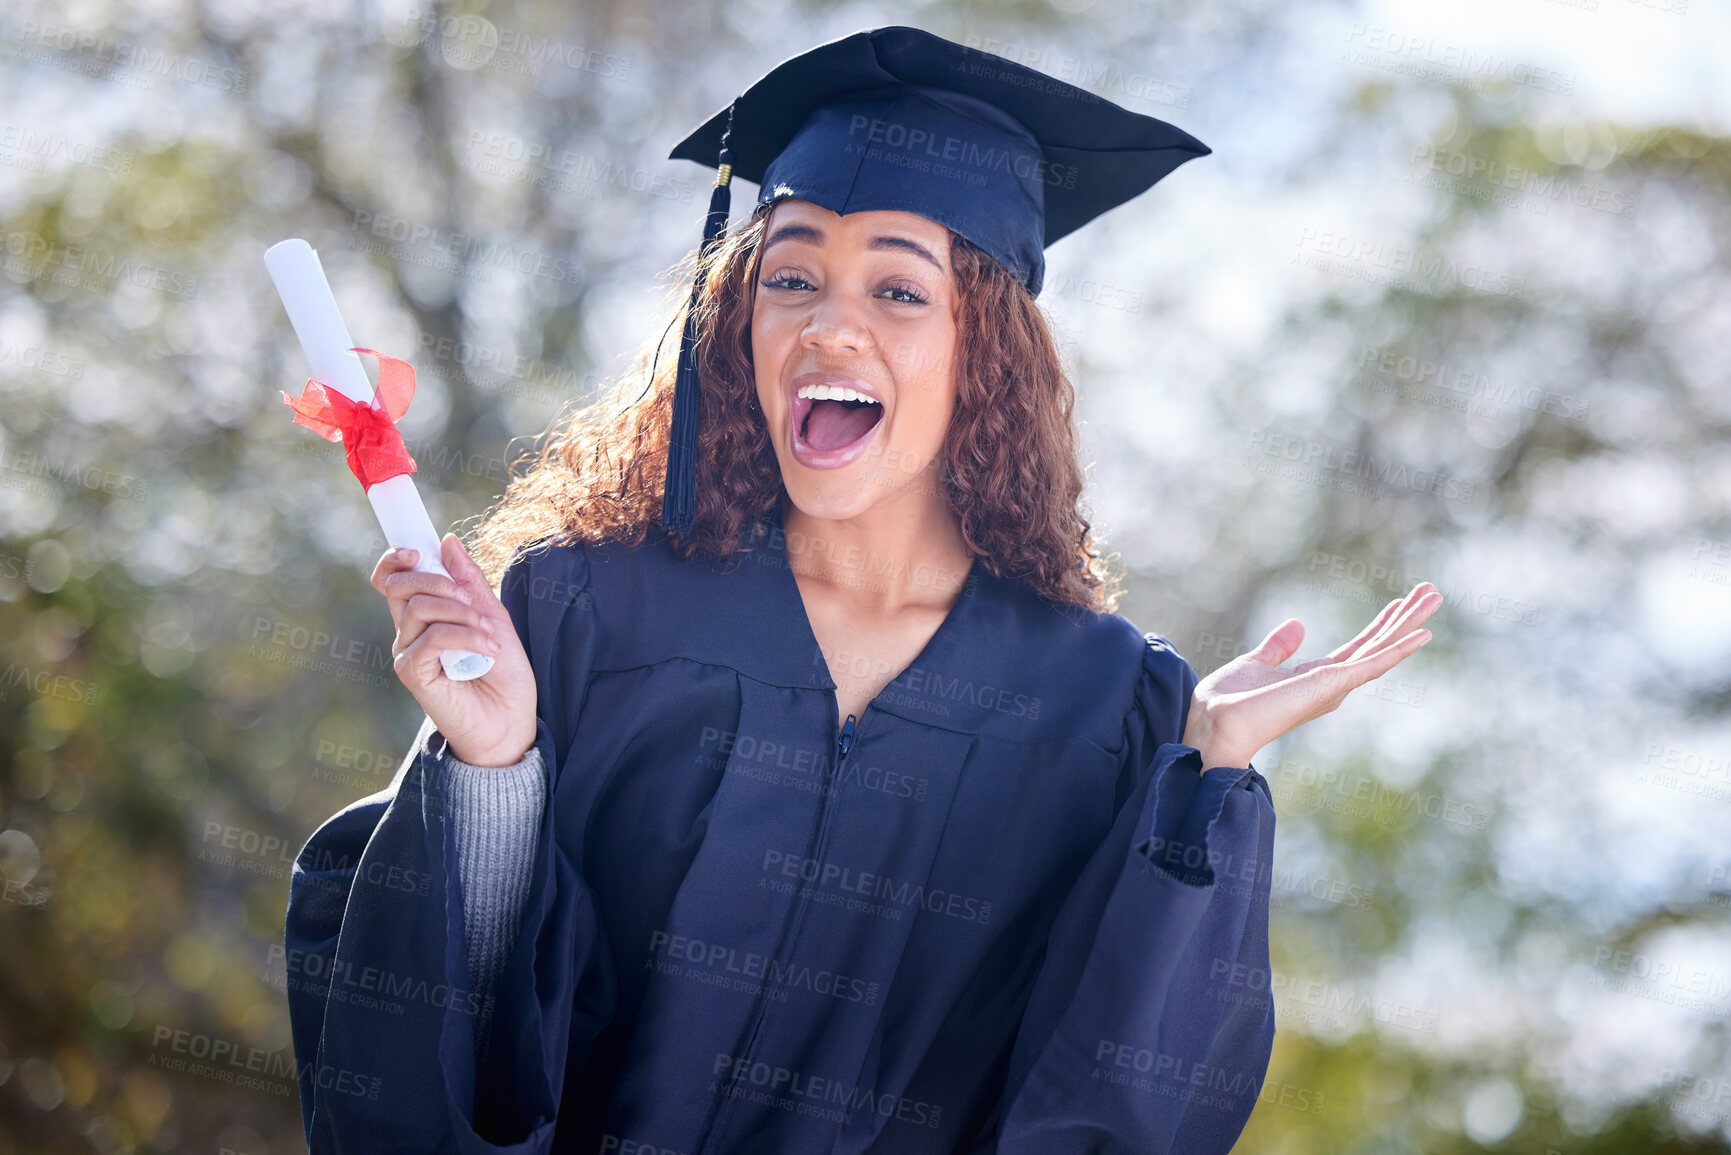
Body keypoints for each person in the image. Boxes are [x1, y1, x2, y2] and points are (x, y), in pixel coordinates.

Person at [283, 26, 1439, 1155]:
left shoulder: (1104, 710)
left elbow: (1122, 1096)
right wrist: (493, 773)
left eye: (898, 290)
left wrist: (1203, 785)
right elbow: (429, 1022)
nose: (829, 323)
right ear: (739, 323)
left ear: (982, 347)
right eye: (790, 276)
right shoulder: (587, 615)